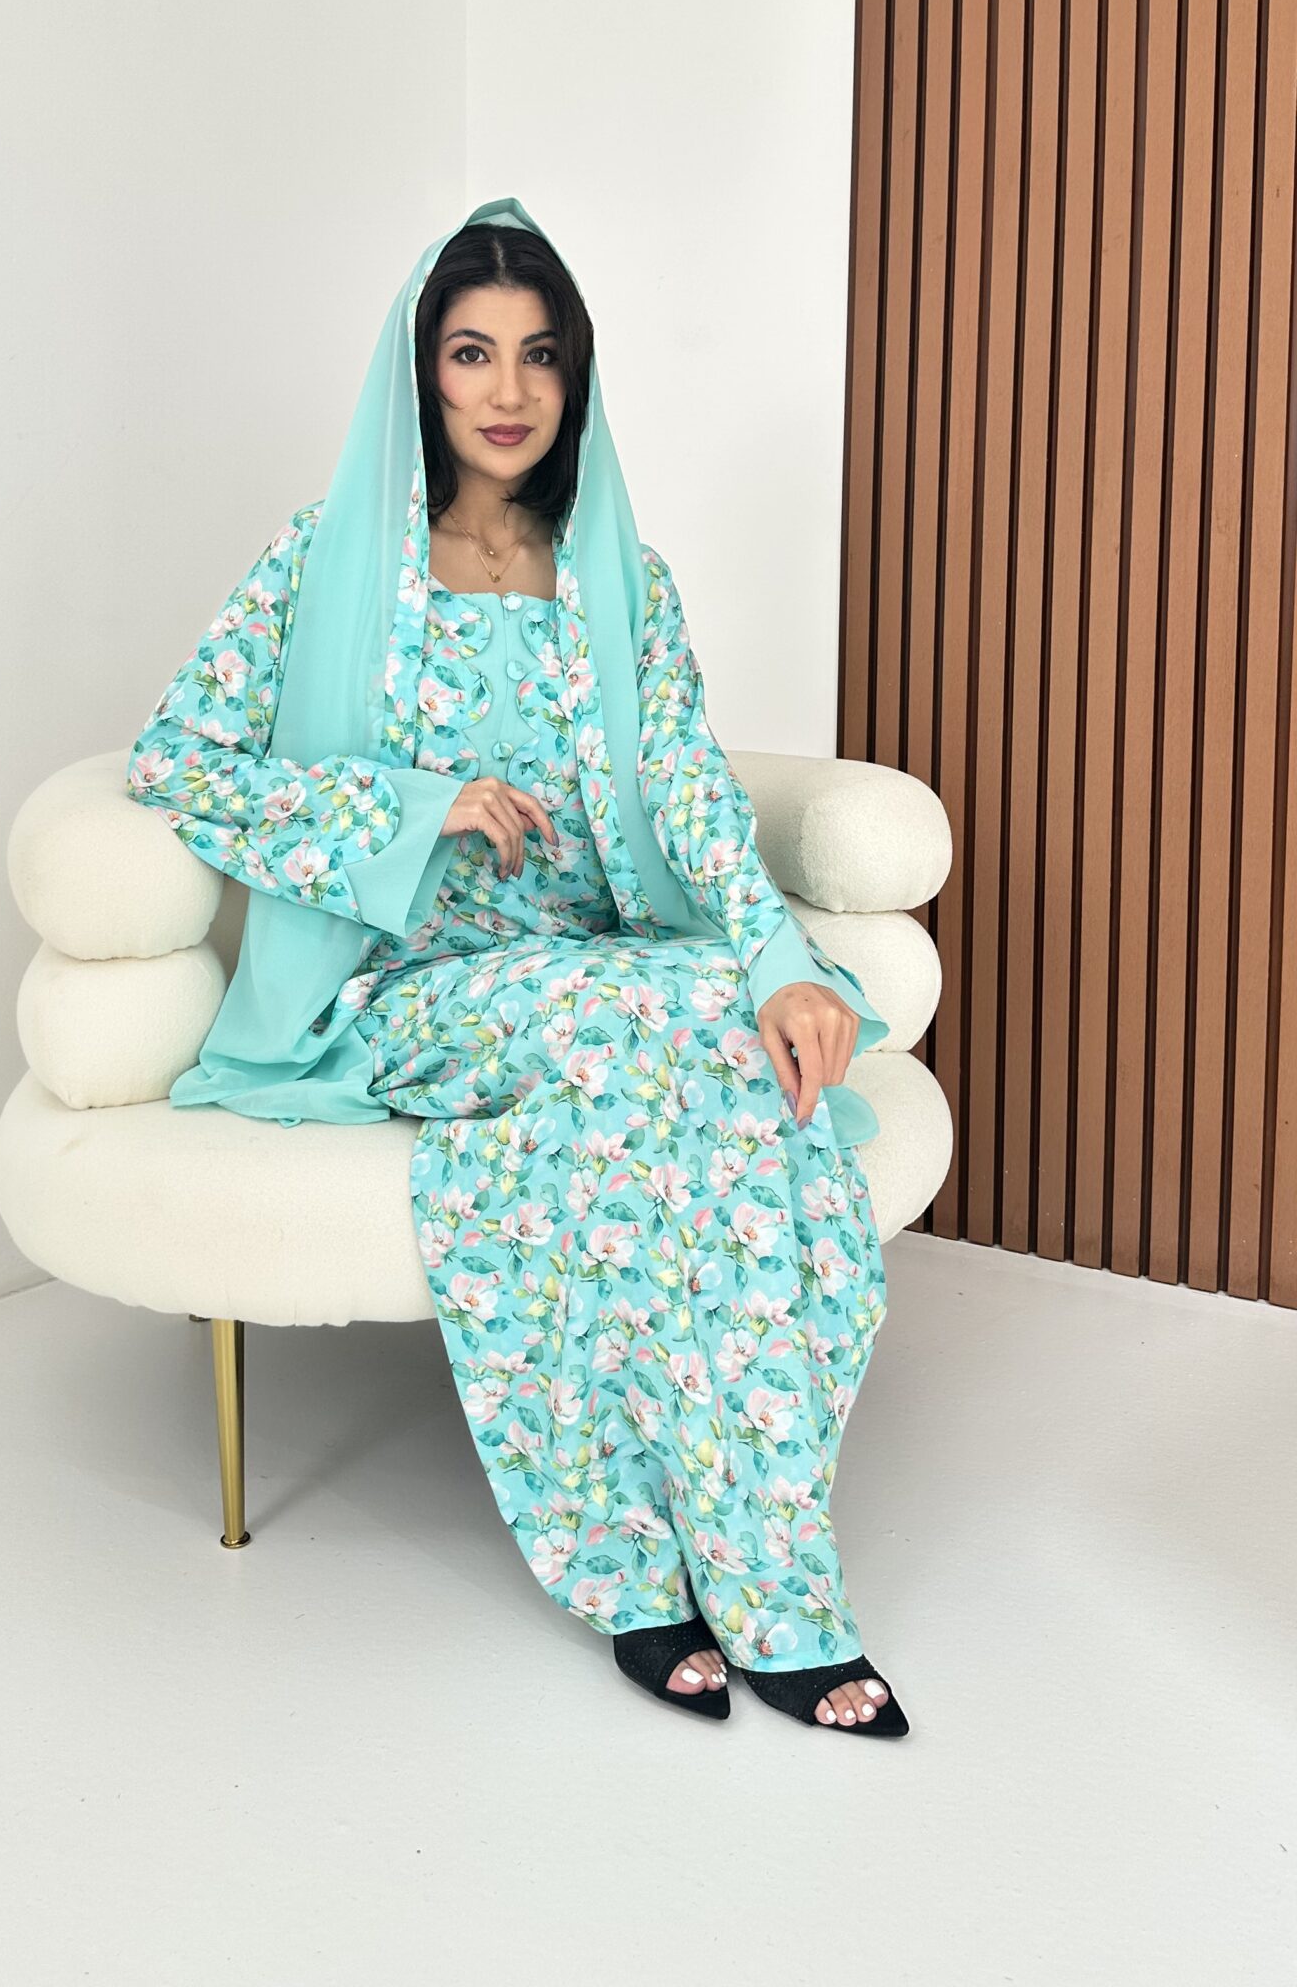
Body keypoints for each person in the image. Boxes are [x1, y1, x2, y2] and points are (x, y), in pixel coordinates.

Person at [126, 196, 908, 1734]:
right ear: (421, 372)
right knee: (655, 1020)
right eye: (471, 353)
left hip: (594, 978)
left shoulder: (623, 580)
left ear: (576, 376)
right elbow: (179, 761)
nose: (506, 390)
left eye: (539, 356)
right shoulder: (330, 560)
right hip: (411, 996)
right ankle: (693, 1583)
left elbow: (686, 787)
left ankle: (732, 1554)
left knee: (724, 1030)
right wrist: (411, 806)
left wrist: (775, 962)